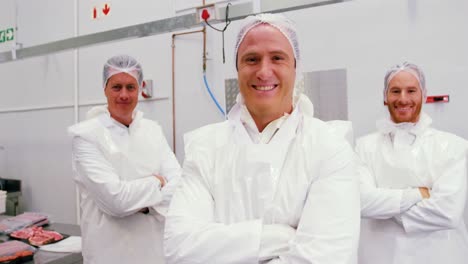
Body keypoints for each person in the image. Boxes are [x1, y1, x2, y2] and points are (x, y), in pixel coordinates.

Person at [164, 13, 360, 264]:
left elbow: (327, 258)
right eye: (252, 59)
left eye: (277, 58)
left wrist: (222, 247)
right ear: (237, 69)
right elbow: (179, 249)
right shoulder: (205, 148)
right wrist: (281, 237)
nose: (264, 71)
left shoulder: (329, 147)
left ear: (295, 67)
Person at [68, 55, 181, 264]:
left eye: (131, 87)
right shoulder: (86, 136)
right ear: (105, 89)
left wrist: (138, 200)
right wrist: (157, 182)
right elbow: (116, 201)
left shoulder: (153, 131)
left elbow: (179, 186)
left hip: (154, 253)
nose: (124, 95)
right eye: (116, 87)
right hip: (108, 254)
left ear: (140, 89)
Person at [356, 62, 468, 264]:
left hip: (441, 257)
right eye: (395, 91)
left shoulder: (455, 147)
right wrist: (419, 194)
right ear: (385, 96)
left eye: (411, 91)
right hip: (379, 257)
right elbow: (362, 203)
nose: (403, 99)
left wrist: (384, 205)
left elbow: (447, 213)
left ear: (423, 95)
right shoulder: (363, 147)